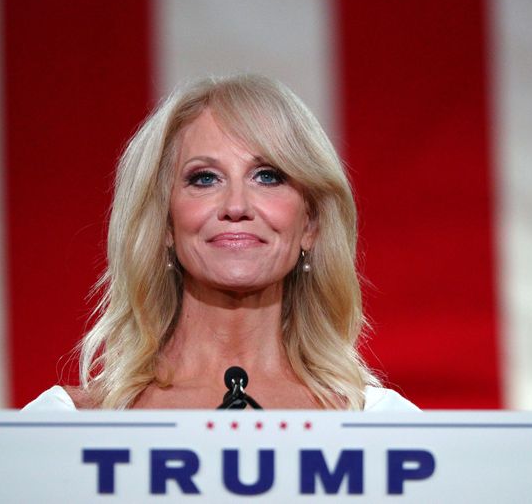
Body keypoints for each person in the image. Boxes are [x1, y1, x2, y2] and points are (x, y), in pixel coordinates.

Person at [24, 74, 417, 412]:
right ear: (164, 222)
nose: (236, 206)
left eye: (267, 176)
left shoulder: (385, 429)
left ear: (310, 224)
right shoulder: (63, 427)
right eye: (204, 178)